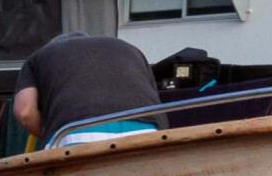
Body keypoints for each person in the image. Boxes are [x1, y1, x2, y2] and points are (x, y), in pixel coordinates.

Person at [12, 30, 165, 146]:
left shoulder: (39, 56)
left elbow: (25, 112)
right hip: (147, 131)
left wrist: (47, 132)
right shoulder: (131, 50)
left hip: (77, 134)